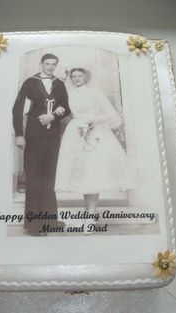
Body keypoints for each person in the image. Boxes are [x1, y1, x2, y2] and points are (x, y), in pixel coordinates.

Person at [55, 68, 137, 233]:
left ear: (86, 77)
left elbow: (111, 114)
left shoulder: (95, 93)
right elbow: (62, 108)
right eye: (74, 77)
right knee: (82, 175)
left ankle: (90, 216)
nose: (77, 79)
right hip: (75, 133)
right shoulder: (69, 94)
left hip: (96, 133)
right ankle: (88, 214)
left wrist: (93, 120)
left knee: (92, 172)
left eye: (80, 76)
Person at [12, 53, 71, 235]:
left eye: (53, 64)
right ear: (41, 64)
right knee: (35, 178)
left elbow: (66, 108)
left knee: (48, 178)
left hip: (52, 137)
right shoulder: (30, 83)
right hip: (34, 136)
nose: (50, 67)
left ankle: (50, 220)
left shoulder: (59, 84)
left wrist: (53, 116)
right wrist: (19, 135)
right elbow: (17, 110)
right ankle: (34, 225)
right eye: (47, 64)